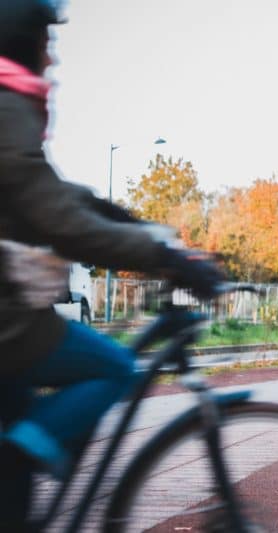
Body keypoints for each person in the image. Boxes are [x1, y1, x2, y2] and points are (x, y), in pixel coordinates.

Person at [0, 1, 224, 528]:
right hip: (7, 322)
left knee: (26, 427)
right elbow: (58, 222)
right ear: (21, 36)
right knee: (113, 367)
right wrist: (160, 255)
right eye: (47, 41)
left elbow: (48, 196)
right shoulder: (7, 109)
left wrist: (127, 221)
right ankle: (15, 461)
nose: (52, 56)